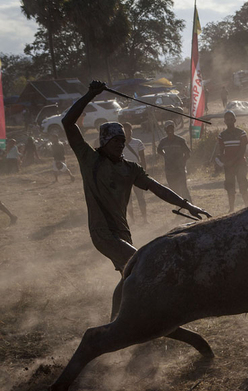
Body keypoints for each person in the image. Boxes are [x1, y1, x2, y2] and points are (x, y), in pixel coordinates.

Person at [62, 80, 210, 281]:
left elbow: (157, 188)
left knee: (129, 277)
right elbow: (67, 122)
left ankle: (121, 311)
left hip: (123, 231)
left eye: (122, 141)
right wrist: (91, 95)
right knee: (142, 265)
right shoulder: (89, 159)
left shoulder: (130, 168)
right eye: (116, 141)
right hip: (102, 233)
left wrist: (187, 204)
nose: (120, 145)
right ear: (104, 142)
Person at [218, 110, 248, 212]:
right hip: (229, 165)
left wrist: (233, 161)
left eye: (231, 119)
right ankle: (231, 209)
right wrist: (225, 161)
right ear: (225, 121)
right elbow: (221, 151)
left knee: (243, 186)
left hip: (240, 163)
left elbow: (242, 149)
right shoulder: (222, 135)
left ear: (235, 120)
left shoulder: (241, 133)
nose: (229, 121)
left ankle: (247, 207)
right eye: (227, 120)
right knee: (230, 187)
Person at [157, 120, 192, 201]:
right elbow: (159, 150)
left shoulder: (180, 140)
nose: (170, 130)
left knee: (184, 189)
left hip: (180, 169)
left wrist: (183, 162)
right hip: (169, 170)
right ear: (165, 130)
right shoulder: (163, 141)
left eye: (171, 128)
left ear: (174, 129)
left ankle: (191, 207)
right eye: (168, 128)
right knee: (174, 190)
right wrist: (165, 155)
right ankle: (179, 209)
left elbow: (188, 153)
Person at [122, 122, 148, 223]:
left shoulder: (138, 142)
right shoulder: (119, 145)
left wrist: (144, 172)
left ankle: (145, 218)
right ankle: (132, 220)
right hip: (124, 174)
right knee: (128, 199)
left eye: (129, 130)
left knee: (140, 197)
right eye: (125, 130)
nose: (127, 132)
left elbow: (143, 158)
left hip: (136, 173)